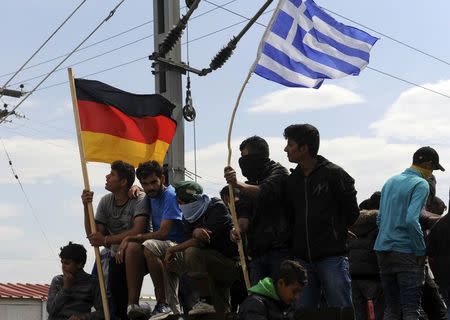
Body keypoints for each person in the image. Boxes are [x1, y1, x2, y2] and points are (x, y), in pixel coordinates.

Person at [283, 124, 360, 309]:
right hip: (301, 260)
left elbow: (352, 214)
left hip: (332, 257)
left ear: (304, 148)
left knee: (340, 310)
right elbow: (289, 216)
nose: (285, 149)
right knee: (303, 312)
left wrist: (336, 230)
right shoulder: (292, 181)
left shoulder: (335, 174)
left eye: (290, 144)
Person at [374, 146, 445, 320]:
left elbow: (379, 219)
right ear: (428, 164)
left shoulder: (390, 181)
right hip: (406, 251)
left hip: (383, 250)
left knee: (392, 309)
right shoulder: (421, 184)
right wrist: (421, 250)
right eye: (433, 169)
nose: (431, 174)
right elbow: (412, 220)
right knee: (411, 310)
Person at [116, 161, 186, 319]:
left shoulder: (170, 195)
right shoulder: (149, 195)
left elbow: (163, 233)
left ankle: (160, 302)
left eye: (154, 182)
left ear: (162, 179)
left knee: (149, 246)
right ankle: (135, 304)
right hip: (165, 251)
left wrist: (130, 237)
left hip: (179, 249)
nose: (150, 187)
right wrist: (138, 189)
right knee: (173, 312)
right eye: (145, 184)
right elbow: (144, 191)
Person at [81, 160, 150, 320]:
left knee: (130, 249)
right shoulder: (106, 201)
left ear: (123, 182)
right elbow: (95, 235)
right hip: (114, 257)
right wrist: (86, 207)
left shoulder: (139, 199)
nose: (107, 177)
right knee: (113, 302)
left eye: (112, 174)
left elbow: (137, 230)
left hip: (138, 254)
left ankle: (133, 305)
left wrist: (106, 239)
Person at [165, 180, 241, 315]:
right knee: (219, 313)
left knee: (191, 252)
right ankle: (169, 306)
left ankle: (206, 300)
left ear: (192, 201)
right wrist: (194, 232)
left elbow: (200, 241)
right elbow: (193, 237)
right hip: (207, 266)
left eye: (181, 203)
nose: (180, 206)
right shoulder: (188, 218)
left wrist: (173, 249)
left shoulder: (216, 207)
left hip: (229, 265)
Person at [224, 136, 292, 285]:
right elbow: (243, 219)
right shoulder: (248, 185)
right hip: (257, 253)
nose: (242, 162)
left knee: (281, 299)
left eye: (245, 157)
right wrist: (236, 230)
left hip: (279, 251)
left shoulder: (279, 173)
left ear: (258, 156)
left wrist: (237, 184)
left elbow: (264, 192)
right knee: (259, 299)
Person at [349, 193, 384, 320]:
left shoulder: (354, 225)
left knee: (358, 314)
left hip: (354, 275)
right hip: (373, 275)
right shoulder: (379, 225)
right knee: (378, 313)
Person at [47, 242, 104, 320]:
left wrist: (83, 317)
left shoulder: (92, 282)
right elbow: (51, 310)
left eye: (67, 263)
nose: (63, 266)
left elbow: (103, 313)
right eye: (62, 262)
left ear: (80, 264)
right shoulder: (57, 281)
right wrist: (66, 288)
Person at [238, 260, 307, 320]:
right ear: (281, 283)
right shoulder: (254, 305)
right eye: (294, 291)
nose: (297, 297)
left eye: (299, 292)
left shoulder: (288, 306)